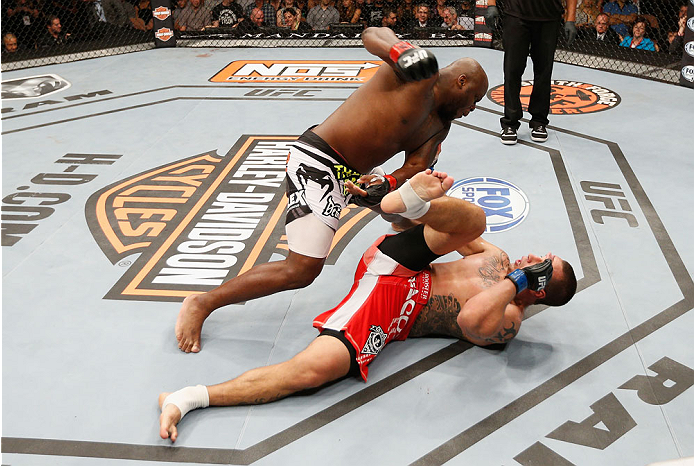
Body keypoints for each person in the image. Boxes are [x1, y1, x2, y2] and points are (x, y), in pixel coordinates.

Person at [159, 170, 577, 441]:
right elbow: (442, 230)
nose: (530, 258)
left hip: (394, 307)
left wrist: (518, 282)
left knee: (314, 371)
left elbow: (471, 319)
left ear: (540, 287)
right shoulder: (497, 257)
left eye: (541, 266)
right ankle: (409, 196)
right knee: (473, 221)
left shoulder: (508, 320)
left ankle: (188, 397)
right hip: (404, 261)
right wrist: (382, 201)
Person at [174, 26, 489, 354]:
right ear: (461, 82)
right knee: (301, 270)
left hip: (359, 173)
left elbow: (414, 167)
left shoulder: (440, 125)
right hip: (319, 161)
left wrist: (388, 184)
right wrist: (400, 51)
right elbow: (372, 33)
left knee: (412, 209)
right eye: (474, 99)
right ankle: (202, 303)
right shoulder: (417, 73)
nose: (472, 108)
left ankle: (451, 252)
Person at [485, 0, 577, 145]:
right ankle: (510, 123)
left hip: (549, 17)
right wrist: (491, 4)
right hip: (516, 15)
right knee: (512, 69)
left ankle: (539, 121)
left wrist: (570, 19)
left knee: (544, 71)